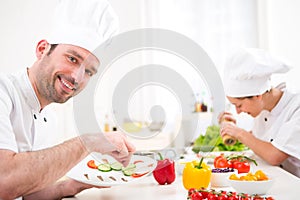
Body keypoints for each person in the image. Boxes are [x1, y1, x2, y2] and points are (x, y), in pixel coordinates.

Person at [0, 0, 135, 199]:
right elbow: (4, 182)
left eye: (89, 71)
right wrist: (89, 141)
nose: (77, 77)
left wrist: (73, 186)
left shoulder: (49, 119)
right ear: (42, 49)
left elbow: (26, 193)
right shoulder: (3, 91)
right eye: (72, 59)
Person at [218, 48, 300, 178]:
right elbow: (259, 140)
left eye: (239, 105)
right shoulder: (263, 109)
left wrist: (239, 132)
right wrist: (230, 129)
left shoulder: (296, 106)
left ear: (257, 96)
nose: (238, 112)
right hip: (280, 179)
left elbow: (274, 155)